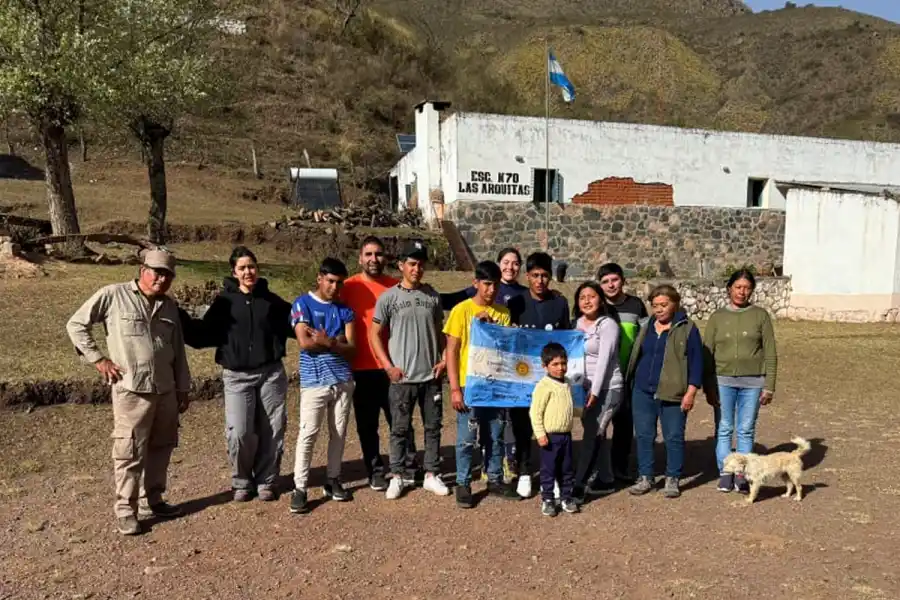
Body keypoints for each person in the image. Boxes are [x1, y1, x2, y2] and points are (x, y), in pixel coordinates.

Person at [66, 249, 191, 536]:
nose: (162, 279)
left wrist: (183, 387)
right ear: (142, 270)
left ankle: (153, 500)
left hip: (165, 389)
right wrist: (98, 360)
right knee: (129, 450)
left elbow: (178, 350)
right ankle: (126, 510)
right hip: (131, 390)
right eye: (157, 272)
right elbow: (76, 324)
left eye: (168, 275)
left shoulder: (169, 306)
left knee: (162, 446)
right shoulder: (113, 295)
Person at [179, 246, 292, 503]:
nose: (248, 272)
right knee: (239, 431)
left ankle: (266, 480)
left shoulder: (271, 301)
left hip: (271, 374)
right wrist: (179, 317)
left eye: (251, 266)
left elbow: (296, 323)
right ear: (234, 272)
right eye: (242, 268)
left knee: (272, 429)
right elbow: (203, 334)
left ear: (257, 269)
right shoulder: (224, 303)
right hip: (237, 377)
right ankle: (242, 481)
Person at [369, 240, 449, 499]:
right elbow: (374, 334)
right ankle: (398, 475)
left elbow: (440, 332)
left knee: (433, 427)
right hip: (402, 378)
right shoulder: (389, 297)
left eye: (421, 264)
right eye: (412, 264)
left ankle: (431, 474)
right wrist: (388, 366)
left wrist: (445, 359)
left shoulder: (432, 296)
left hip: (430, 376)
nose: (417, 269)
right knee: (399, 429)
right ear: (401, 265)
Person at [341, 236, 417, 491]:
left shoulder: (395, 286)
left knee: (400, 421)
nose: (374, 259)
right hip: (360, 368)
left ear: (386, 258)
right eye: (369, 254)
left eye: (378, 254)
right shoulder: (348, 287)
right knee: (367, 425)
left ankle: (408, 467)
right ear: (360, 258)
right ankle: (375, 471)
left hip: (392, 366)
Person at [444, 260, 521, 508]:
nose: (491, 290)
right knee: (467, 437)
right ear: (475, 283)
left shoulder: (503, 313)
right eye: (487, 284)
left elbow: (506, 351)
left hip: (495, 385)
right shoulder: (461, 310)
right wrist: (455, 389)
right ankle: (463, 482)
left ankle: (495, 478)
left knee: (496, 434)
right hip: (470, 384)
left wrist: (497, 330)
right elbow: (451, 350)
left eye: (495, 285)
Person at [289, 258, 356, 514]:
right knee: (308, 434)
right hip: (314, 381)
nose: (334, 287)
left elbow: (352, 348)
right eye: (330, 281)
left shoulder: (345, 309)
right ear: (320, 278)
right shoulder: (302, 304)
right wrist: (336, 342)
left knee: (338, 433)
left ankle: (333, 479)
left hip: (342, 380)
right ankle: (300, 487)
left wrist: (328, 342)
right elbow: (305, 343)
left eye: (339, 283)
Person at [704, 269, 778, 494]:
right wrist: (708, 385)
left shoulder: (760, 316)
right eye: (738, 287)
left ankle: (742, 474)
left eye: (747, 288)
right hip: (722, 381)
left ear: (752, 290)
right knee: (724, 427)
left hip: (753, 382)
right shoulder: (717, 317)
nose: (742, 292)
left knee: (745, 429)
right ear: (729, 288)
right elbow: (707, 353)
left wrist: (769, 385)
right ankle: (725, 472)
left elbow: (770, 352)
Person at [625, 285, 703, 499]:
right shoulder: (646, 326)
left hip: (673, 393)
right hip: (643, 391)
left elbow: (697, 363)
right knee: (644, 435)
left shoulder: (687, 328)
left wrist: (691, 392)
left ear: (674, 304)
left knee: (674, 436)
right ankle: (645, 476)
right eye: (655, 305)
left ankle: (672, 477)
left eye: (664, 305)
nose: (659, 309)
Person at [506, 251, 571, 499]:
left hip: (550, 377)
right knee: (522, 425)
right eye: (535, 275)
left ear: (550, 277)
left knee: (551, 424)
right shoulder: (516, 302)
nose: (540, 280)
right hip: (522, 374)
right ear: (527, 276)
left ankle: (552, 475)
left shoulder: (559, 303)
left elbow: (566, 337)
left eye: (544, 275)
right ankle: (524, 471)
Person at [572, 281, 623, 502]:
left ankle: (578, 485)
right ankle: (606, 478)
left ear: (600, 300)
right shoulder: (575, 325)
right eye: (582, 297)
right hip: (583, 388)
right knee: (595, 433)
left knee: (593, 434)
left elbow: (604, 360)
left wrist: (594, 391)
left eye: (591, 296)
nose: (587, 301)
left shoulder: (608, 325)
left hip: (608, 388)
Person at [597, 262, 648, 483]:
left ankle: (619, 467)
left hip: (629, 375)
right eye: (605, 281)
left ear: (623, 280)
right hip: (601, 377)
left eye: (614, 280)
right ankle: (598, 469)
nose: (611, 285)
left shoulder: (636, 305)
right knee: (599, 425)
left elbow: (645, 336)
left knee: (624, 425)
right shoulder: (596, 305)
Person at [530, 343, 579, 517]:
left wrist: (581, 412)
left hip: (566, 435)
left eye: (563, 363)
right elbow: (535, 412)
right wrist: (540, 434)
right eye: (555, 364)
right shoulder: (544, 386)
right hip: (550, 437)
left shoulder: (567, 383)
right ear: (545, 366)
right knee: (548, 470)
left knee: (566, 468)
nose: (560, 368)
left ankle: (566, 497)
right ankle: (548, 499)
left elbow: (568, 406)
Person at [439, 247, 527, 310]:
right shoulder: (484, 286)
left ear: (520, 266)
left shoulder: (526, 293)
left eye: (515, 264)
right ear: (498, 263)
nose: (510, 267)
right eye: (506, 262)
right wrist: (432, 296)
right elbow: (451, 300)